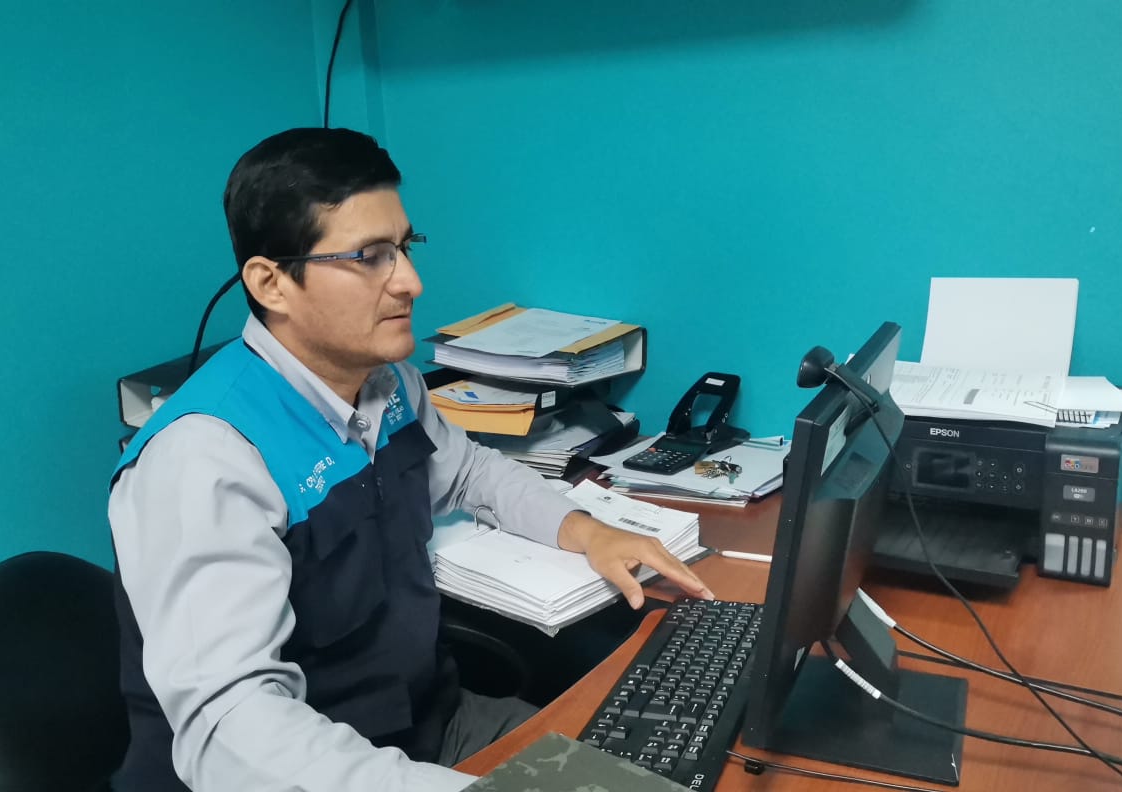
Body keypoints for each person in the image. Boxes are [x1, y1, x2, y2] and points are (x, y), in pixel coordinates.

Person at [108, 127, 714, 792]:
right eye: (370, 256)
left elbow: (470, 472)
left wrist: (586, 530)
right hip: (309, 774)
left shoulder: (386, 381)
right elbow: (233, 729)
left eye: (404, 247)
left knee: (662, 765)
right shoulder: (206, 458)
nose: (411, 282)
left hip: (429, 725)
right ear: (271, 282)